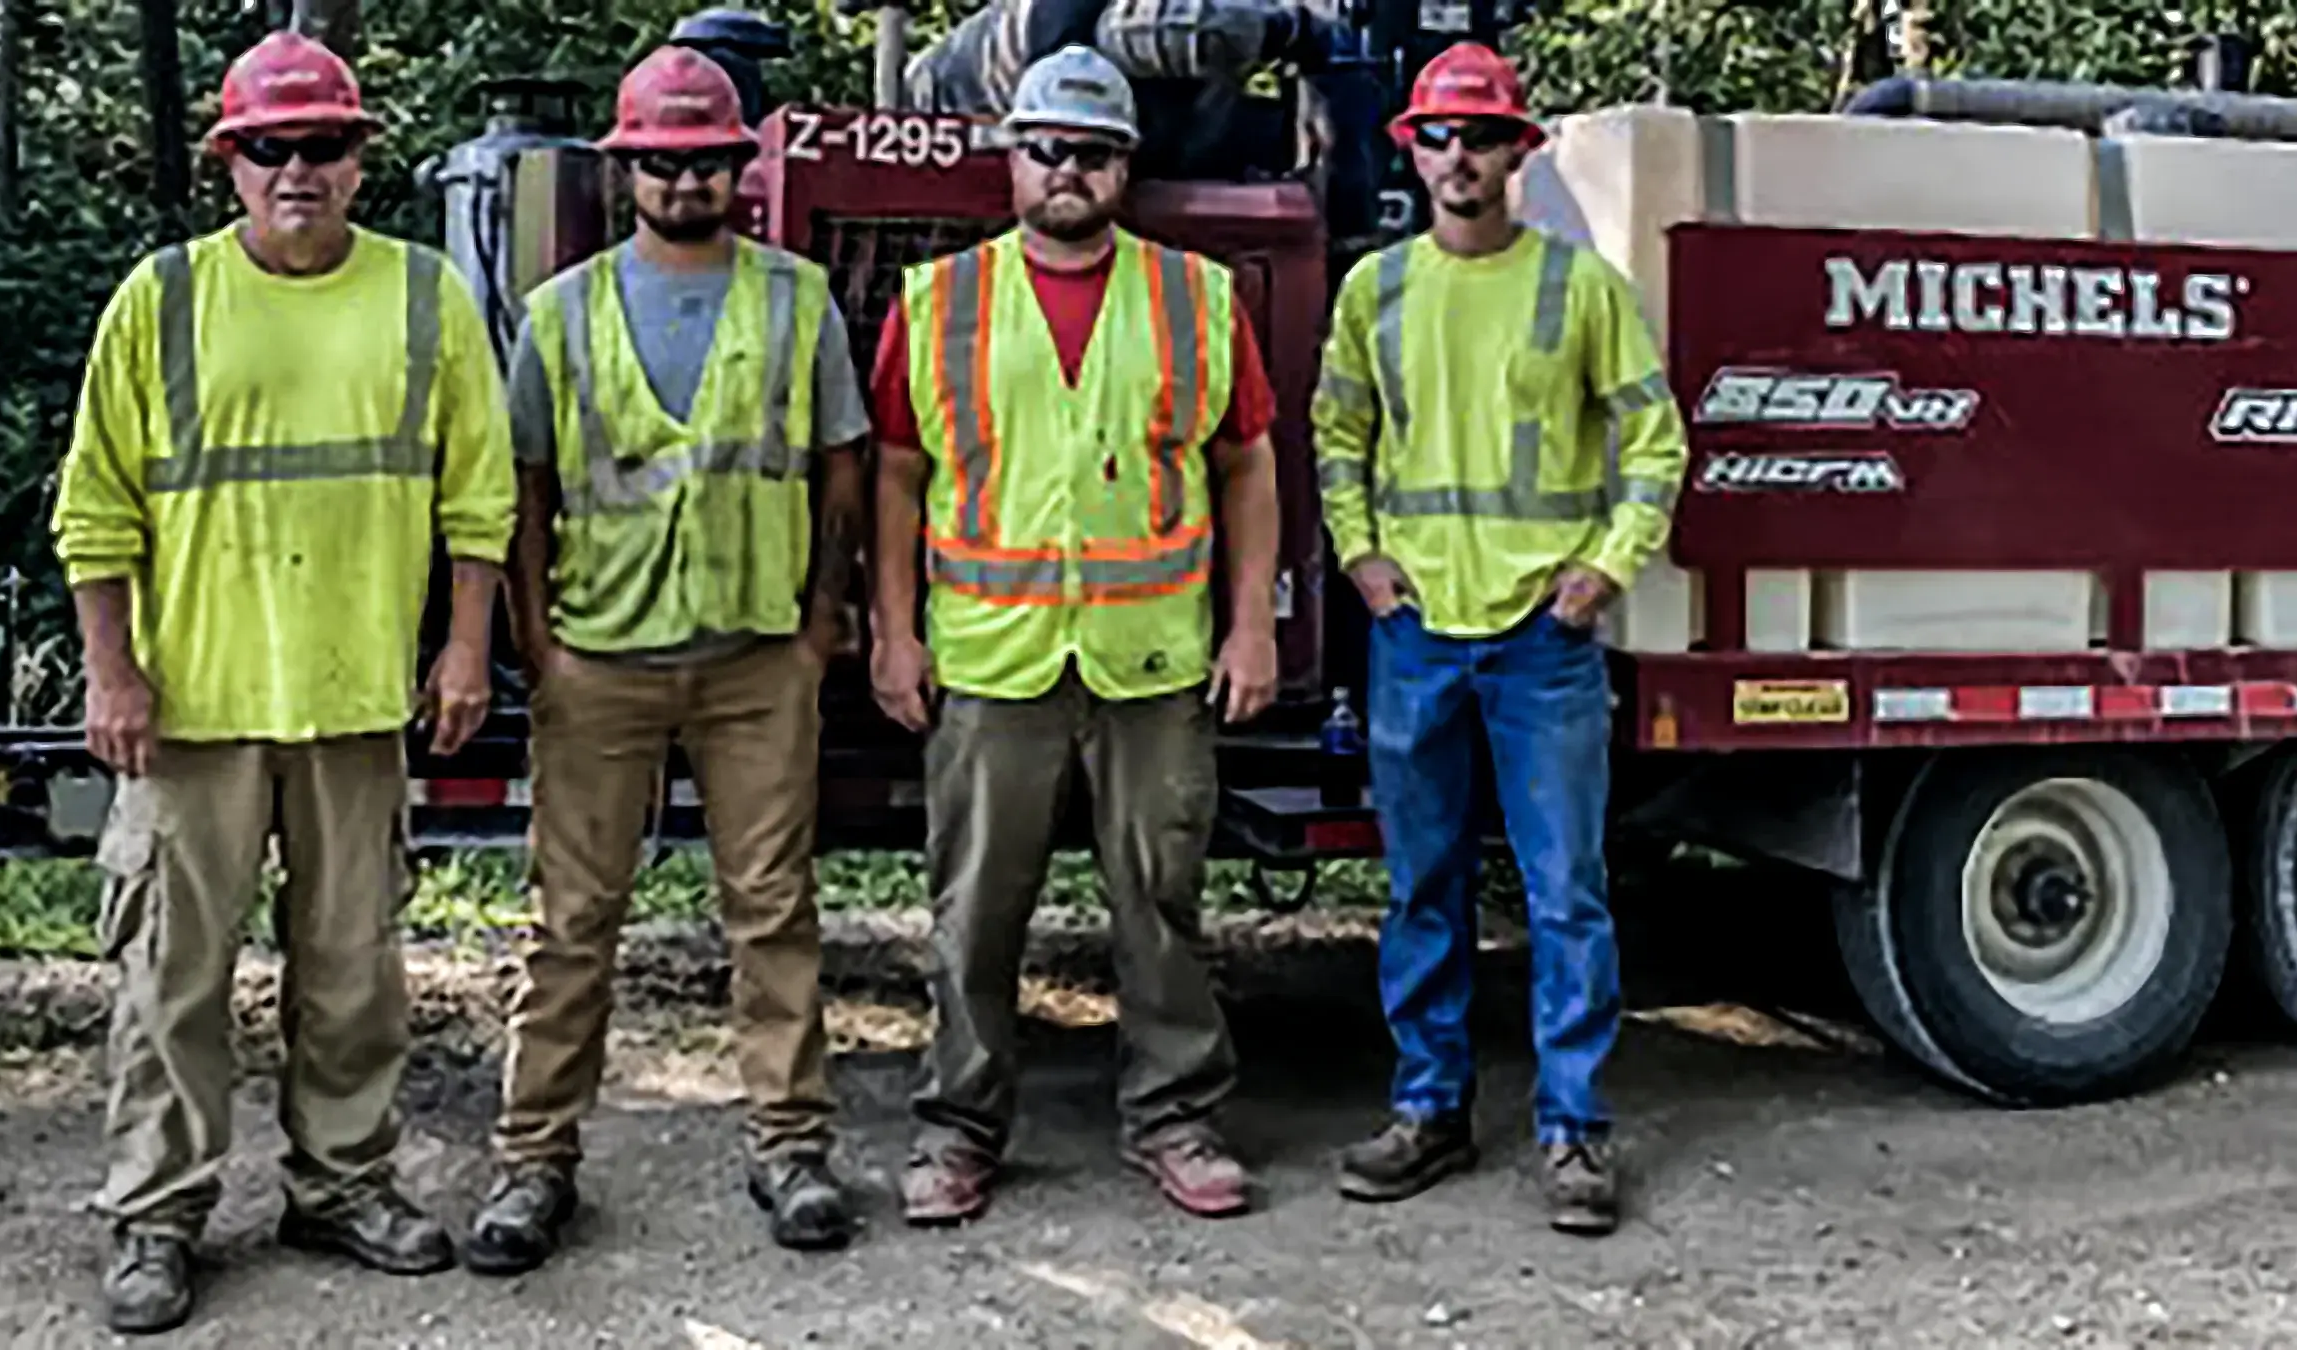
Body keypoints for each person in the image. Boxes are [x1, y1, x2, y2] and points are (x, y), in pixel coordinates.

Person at [50, 31, 516, 1335]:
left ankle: (342, 1184)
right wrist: (111, 673)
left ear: (359, 160)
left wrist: (464, 645)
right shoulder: (162, 300)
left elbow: (477, 497)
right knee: (171, 977)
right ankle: (157, 1213)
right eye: (269, 147)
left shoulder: (423, 297)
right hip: (191, 711)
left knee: (353, 971)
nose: (296, 168)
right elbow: (96, 508)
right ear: (231, 163)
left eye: (321, 145)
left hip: (355, 701)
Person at [464, 45, 869, 1269]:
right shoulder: (562, 313)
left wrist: (819, 623)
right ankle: (534, 1160)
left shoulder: (798, 298)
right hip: (600, 659)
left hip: (757, 660)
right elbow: (525, 487)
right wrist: (536, 638)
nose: (685, 180)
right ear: (625, 169)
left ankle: (790, 1146)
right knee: (571, 922)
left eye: (705, 161)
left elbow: (842, 466)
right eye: (662, 161)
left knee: (773, 909)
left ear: (737, 167)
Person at [867, 44, 1283, 1226]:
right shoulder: (938, 301)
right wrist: (893, 631)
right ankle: (958, 1129)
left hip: (1152, 660)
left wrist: (1251, 624)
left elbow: (1248, 464)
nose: (1068, 170)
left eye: (1093, 153)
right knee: (974, 911)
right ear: (1012, 159)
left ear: (1125, 168)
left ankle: (1175, 1117)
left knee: (1161, 901)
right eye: (1046, 147)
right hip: (993, 658)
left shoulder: (1196, 299)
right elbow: (894, 475)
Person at [1311, 42, 1689, 1236]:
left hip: (1540, 639)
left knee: (1565, 892)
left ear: (1519, 151)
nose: (1460, 155)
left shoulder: (1581, 290)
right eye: (1440, 135)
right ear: (1411, 152)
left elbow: (1655, 441)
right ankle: (1430, 1110)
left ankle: (1574, 1130)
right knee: (1421, 887)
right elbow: (1338, 435)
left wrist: (1607, 567)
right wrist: (1362, 558)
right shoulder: (1375, 290)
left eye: (1482, 136)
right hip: (1417, 631)